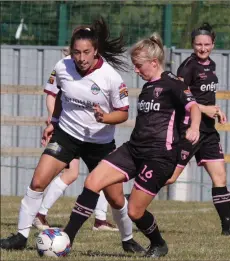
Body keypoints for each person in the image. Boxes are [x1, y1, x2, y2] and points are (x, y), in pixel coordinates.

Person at [0, 17, 145, 253]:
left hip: (100, 143)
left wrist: (104, 118)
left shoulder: (110, 77)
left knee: (116, 198)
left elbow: (123, 113)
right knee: (38, 182)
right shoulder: (62, 67)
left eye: (87, 52)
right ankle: (20, 236)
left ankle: (128, 240)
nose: (81, 58)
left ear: (96, 50)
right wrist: (53, 122)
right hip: (66, 135)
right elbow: (60, 95)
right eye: (77, 52)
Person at [60, 32, 201, 258]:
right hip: (133, 149)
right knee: (93, 180)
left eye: (139, 65)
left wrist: (194, 128)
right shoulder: (147, 88)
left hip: (159, 156)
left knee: (135, 210)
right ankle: (66, 239)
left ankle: (158, 244)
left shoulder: (173, 84)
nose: (136, 70)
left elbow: (193, 107)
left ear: (153, 63)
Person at [165, 23, 230, 236]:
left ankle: (228, 226)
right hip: (190, 129)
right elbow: (179, 97)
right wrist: (204, 109)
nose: (202, 48)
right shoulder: (187, 67)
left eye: (206, 44)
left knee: (220, 176)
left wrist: (217, 111)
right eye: (198, 44)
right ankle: (128, 202)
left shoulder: (212, 65)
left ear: (213, 44)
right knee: (169, 177)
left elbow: (205, 97)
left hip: (208, 132)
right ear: (192, 44)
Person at [32, 65, 118, 232]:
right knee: (75, 173)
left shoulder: (101, 71)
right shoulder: (62, 68)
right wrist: (54, 119)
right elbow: (52, 94)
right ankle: (40, 214)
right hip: (69, 132)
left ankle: (100, 219)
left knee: (86, 174)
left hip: (86, 133)